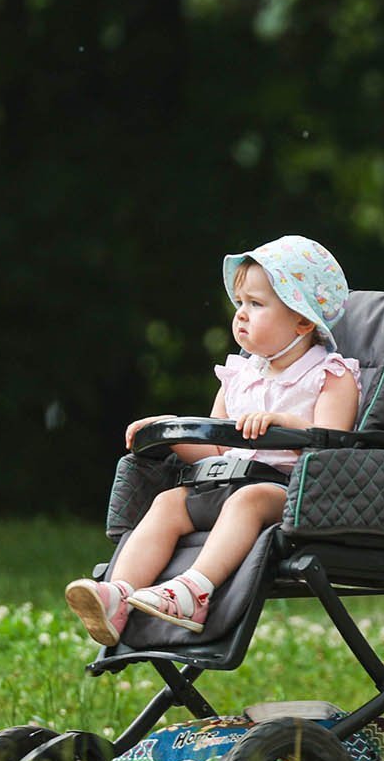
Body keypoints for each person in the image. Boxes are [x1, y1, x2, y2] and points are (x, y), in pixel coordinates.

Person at [64, 236, 360, 643]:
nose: (240, 315)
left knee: (249, 499)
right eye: (239, 303)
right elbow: (217, 445)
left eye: (256, 305)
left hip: (293, 494)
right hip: (225, 482)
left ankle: (194, 591)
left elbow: (334, 443)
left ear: (303, 321)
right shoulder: (239, 376)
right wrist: (170, 431)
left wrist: (283, 423)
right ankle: (118, 595)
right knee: (169, 502)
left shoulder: (331, 375)